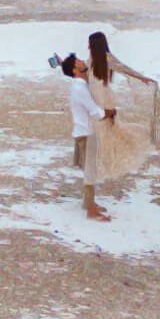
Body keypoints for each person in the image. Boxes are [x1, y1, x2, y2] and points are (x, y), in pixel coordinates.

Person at [84, 29, 160, 188]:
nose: (87, 46)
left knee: (107, 136)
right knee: (103, 136)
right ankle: (101, 169)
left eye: (89, 43)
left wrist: (142, 78)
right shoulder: (90, 59)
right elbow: (82, 72)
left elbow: (124, 68)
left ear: (95, 44)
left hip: (105, 101)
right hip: (97, 100)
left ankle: (104, 169)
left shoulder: (107, 58)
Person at [60, 52, 113, 221]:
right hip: (86, 133)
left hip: (85, 131)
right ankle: (90, 209)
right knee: (90, 171)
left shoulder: (81, 84)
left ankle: (89, 203)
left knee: (91, 169)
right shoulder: (79, 88)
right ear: (76, 70)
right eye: (78, 61)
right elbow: (95, 112)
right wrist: (110, 112)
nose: (83, 61)